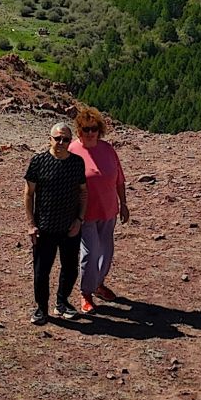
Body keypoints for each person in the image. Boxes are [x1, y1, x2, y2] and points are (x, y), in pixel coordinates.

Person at [24, 121, 86, 324]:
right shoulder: (38, 161)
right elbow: (28, 194)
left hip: (70, 227)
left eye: (66, 139)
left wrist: (79, 219)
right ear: (49, 139)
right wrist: (31, 224)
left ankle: (62, 302)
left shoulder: (77, 163)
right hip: (44, 228)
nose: (61, 142)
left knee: (70, 268)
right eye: (57, 138)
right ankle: (41, 308)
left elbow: (83, 192)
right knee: (42, 271)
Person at [68, 105, 128, 313]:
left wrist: (124, 204)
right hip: (84, 213)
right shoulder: (72, 151)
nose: (91, 133)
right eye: (86, 129)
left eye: (94, 128)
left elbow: (119, 180)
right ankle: (85, 292)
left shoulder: (108, 149)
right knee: (90, 253)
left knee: (106, 253)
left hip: (108, 210)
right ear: (79, 130)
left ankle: (98, 285)